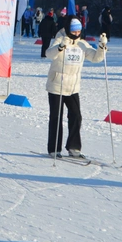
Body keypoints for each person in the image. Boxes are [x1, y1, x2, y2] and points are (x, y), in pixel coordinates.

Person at [45, 17, 105, 158]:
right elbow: (49, 54)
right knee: (56, 117)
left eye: (79, 30)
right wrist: (60, 47)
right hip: (57, 85)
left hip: (73, 87)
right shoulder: (60, 39)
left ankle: (74, 147)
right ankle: (54, 149)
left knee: (76, 116)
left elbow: (96, 58)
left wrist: (102, 47)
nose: (77, 33)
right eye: (74, 30)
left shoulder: (82, 44)